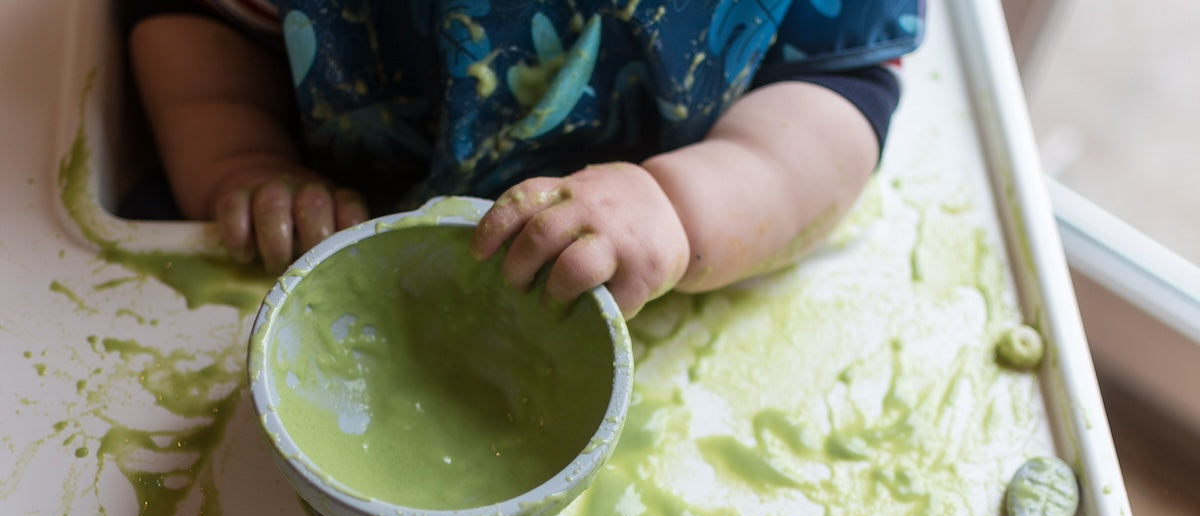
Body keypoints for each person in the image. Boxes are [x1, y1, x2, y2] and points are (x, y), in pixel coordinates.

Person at [126, 0, 924, 317]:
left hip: (660, 266)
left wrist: (683, 205)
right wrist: (242, 158)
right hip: (327, 238)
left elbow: (834, 98)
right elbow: (199, 23)